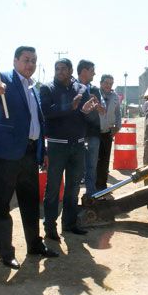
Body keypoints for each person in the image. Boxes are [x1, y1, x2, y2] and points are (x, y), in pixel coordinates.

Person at [0, 46, 58, 269]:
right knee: (3, 205)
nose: (30, 64)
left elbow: (37, 122)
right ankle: (6, 253)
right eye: (26, 60)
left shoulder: (34, 88)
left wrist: (41, 151)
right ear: (15, 60)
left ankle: (35, 244)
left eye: (34, 60)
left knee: (30, 203)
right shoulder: (2, 78)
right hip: (6, 154)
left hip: (29, 153)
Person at [40, 58, 97, 240]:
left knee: (73, 188)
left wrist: (86, 111)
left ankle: (70, 224)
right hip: (57, 146)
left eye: (63, 68)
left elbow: (88, 118)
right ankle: (50, 227)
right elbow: (47, 112)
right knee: (53, 189)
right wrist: (69, 107)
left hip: (78, 146)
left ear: (71, 70)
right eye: (57, 68)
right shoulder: (47, 88)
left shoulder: (81, 89)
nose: (59, 71)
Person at [76, 60, 105, 200]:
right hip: (76, 134)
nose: (94, 73)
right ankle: (73, 196)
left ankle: (91, 194)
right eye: (92, 70)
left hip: (93, 133)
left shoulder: (94, 90)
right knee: (76, 167)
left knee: (91, 166)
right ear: (84, 71)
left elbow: (103, 111)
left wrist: (97, 103)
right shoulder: (71, 87)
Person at [96, 74, 122, 191]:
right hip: (95, 133)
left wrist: (117, 126)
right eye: (106, 83)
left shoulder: (115, 96)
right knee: (94, 161)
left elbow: (118, 113)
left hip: (107, 133)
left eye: (111, 83)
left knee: (104, 161)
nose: (108, 85)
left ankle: (102, 187)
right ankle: (93, 188)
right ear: (101, 83)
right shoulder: (95, 94)